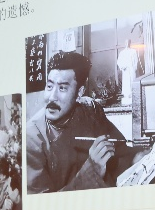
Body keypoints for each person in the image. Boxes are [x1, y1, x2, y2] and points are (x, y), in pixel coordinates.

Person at [26, 50, 146, 192]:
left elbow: (119, 150)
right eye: (49, 86)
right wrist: (93, 168)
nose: (51, 97)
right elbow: (44, 204)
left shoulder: (90, 110)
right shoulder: (32, 139)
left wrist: (136, 158)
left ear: (80, 92)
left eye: (62, 88)